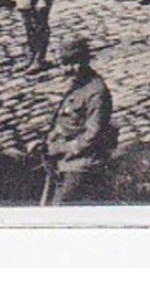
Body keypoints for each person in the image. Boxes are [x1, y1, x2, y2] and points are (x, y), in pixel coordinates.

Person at [43, 37, 116, 205]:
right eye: (64, 64)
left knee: (61, 207)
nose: (68, 69)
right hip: (61, 153)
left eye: (74, 63)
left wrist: (61, 148)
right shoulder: (76, 84)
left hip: (82, 161)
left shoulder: (96, 92)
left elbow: (92, 135)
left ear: (85, 60)